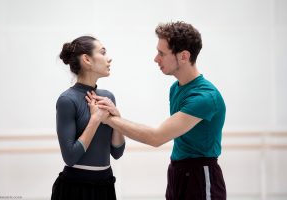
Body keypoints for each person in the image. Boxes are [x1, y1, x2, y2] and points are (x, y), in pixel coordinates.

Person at [86, 21, 226, 200]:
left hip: (201, 176)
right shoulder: (176, 88)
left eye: (162, 53)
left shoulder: (205, 98)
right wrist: (117, 117)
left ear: (184, 56)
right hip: (177, 171)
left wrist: (108, 118)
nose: (155, 58)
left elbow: (156, 137)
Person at [51, 36, 125, 200]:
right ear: (87, 59)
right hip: (75, 188)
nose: (109, 58)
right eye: (103, 53)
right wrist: (95, 120)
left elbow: (118, 152)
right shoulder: (67, 100)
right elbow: (70, 157)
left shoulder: (108, 98)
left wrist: (118, 118)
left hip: (105, 185)